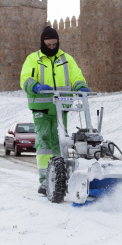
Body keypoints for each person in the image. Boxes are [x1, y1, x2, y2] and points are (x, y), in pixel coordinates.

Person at [20, 26, 91, 195]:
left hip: (61, 107)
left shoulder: (66, 59)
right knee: (44, 142)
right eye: (49, 45)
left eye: (54, 44)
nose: (52, 48)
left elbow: (76, 76)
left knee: (60, 143)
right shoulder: (34, 59)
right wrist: (35, 86)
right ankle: (46, 181)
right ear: (42, 43)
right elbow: (25, 78)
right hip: (41, 108)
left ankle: (62, 179)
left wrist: (81, 86)